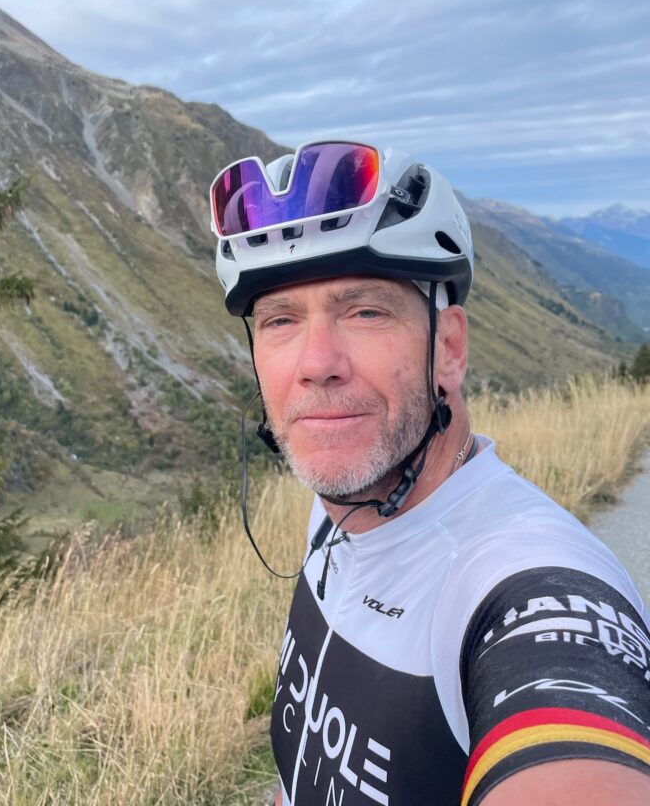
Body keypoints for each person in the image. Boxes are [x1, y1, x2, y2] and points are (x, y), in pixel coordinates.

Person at [209, 140, 650, 806]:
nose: (316, 363)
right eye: (280, 320)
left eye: (365, 312)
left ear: (448, 348)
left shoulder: (521, 589)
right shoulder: (336, 511)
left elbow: (571, 708)